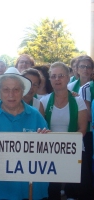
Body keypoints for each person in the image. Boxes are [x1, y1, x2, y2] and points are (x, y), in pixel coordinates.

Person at [0, 67, 49, 200]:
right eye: (6, 90)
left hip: (32, 188)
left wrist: (46, 138)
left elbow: (48, 147)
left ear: (22, 92)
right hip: (1, 190)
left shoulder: (35, 115)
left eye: (16, 89)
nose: (11, 94)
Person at [40, 62, 92, 200]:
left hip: (74, 148)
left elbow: (82, 128)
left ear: (68, 77)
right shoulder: (44, 102)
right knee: (53, 189)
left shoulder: (77, 100)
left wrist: (67, 143)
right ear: (50, 79)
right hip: (50, 149)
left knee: (82, 189)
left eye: (61, 76)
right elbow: (40, 127)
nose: (57, 79)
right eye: (53, 76)